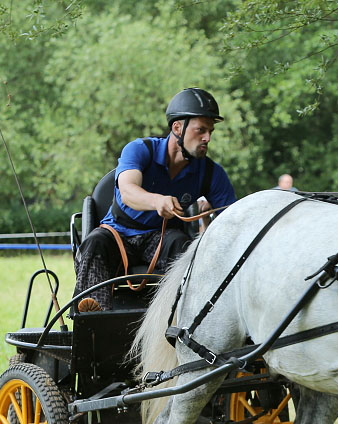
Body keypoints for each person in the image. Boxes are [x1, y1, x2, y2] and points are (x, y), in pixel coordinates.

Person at [74, 88, 237, 312]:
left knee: (185, 249)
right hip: (119, 233)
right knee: (94, 244)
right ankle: (92, 323)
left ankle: (184, 321)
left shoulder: (211, 173)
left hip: (164, 238)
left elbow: (233, 218)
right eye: (201, 130)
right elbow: (128, 191)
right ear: (177, 127)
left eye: (210, 131)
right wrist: (157, 201)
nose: (207, 138)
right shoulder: (139, 150)